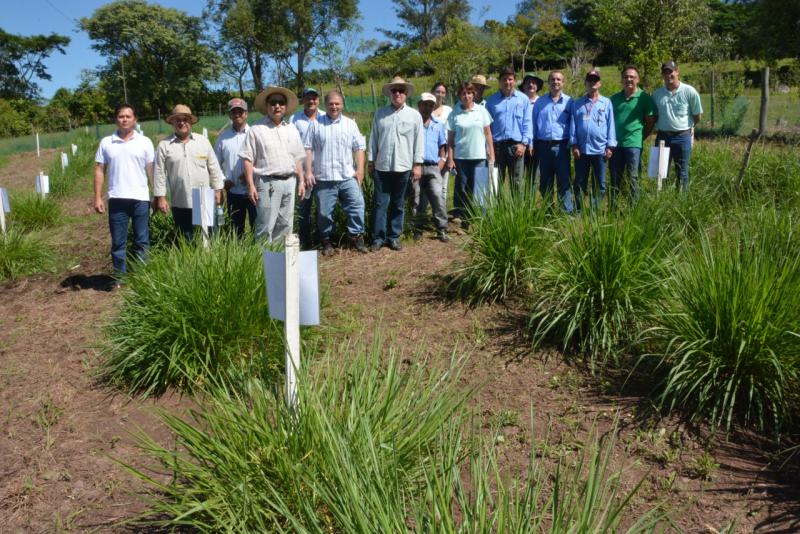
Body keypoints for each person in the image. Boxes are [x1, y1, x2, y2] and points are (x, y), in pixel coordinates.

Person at [94, 103, 154, 282]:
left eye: (128, 116)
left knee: (142, 240)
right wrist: (97, 197)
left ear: (135, 119)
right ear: (116, 120)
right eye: (121, 116)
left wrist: (159, 195)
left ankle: (142, 277)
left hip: (141, 199)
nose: (125, 119)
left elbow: (151, 169)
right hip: (117, 198)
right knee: (118, 242)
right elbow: (99, 170)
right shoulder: (106, 142)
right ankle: (120, 278)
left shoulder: (145, 142)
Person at [304, 90, 368, 256]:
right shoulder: (315, 124)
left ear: (342, 105)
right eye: (331, 103)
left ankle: (355, 236)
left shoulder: (350, 124)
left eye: (337, 103)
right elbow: (307, 148)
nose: (334, 106)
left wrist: (360, 169)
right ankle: (326, 240)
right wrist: (308, 171)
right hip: (324, 177)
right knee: (324, 213)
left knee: (357, 206)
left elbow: (359, 148)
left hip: (347, 176)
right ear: (326, 105)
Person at [239, 86, 306, 243]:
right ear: (267, 106)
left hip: (290, 182)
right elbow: (247, 159)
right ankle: (262, 264)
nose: (277, 106)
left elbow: (297, 158)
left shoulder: (292, 129)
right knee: (265, 226)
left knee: (285, 225)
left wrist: (301, 181)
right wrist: (250, 185)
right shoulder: (256, 129)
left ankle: (280, 262)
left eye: (281, 103)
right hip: (267, 183)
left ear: (285, 106)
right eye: (273, 102)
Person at [367, 75, 424, 252]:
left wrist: (417, 164)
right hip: (382, 166)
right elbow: (373, 139)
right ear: (390, 93)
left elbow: (418, 141)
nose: (397, 93)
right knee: (380, 203)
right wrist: (371, 161)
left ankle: (394, 237)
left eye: (401, 90)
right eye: (394, 90)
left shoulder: (414, 116)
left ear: (406, 93)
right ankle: (378, 237)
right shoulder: (380, 113)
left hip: (404, 166)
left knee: (398, 203)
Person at [154, 104, 223, 241]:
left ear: (191, 121)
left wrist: (218, 189)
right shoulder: (164, 145)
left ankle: (211, 261)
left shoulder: (202, 141)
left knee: (208, 236)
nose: (181, 122)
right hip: (181, 199)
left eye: (185, 119)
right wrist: (160, 197)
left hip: (203, 197)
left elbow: (214, 167)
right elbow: (159, 173)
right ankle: (190, 261)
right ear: (172, 122)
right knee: (186, 237)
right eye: (177, 119)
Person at [446, 82, 494, 227]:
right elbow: (450, 139)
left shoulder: (481, 111)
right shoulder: (454, 113)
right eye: (463, 93)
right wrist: (450, 158)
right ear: (459, 95)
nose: (466, 96)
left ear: (474, 95)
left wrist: (491, 153)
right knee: (462, 187)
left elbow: (488, 134)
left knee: (478, 188)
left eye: (469, 93)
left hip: (479, 156)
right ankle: (463, 216)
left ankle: (477, 216)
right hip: (461, 157)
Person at [569, 70, 616, 212]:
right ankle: (579, 209)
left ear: (600, 83)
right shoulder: (577, 104)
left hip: (600, 150)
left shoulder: (606, 103)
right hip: (582, 150)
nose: (592, 83)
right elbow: (573, 125)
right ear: (585, 83)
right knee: (580, 181)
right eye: (589, 80)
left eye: (595, 80)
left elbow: (611, 125)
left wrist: (610, 146)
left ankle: (594, 210)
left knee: (599, 183)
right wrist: (574, 144)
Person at [609, 66, 656, 207]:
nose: (629, 79)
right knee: (615, 177)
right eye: (626, 77)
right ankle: (613, 207)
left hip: (634, 144)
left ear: (638, 79)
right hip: (615, 144)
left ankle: (634, 208)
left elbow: (650, 121)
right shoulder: (614, 99)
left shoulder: (645, 98)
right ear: (622, 80)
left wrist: (640, 136)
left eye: (632, 77)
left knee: (633, 177)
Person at [652, 60, 703, 191]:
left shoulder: (689, 91)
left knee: (682, 171)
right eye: (665, 72)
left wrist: (685, 129)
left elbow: (697, 116)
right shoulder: (657, 95)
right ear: (662, 75)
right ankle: (660, 199)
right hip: (663, 137)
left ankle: (681, 200)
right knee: (660, 172)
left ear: (677, 72)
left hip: (683, 137)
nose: (668, 75)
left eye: (671, 71)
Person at [532, 70, 574, 213]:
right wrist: (532, 144)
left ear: (563, 83)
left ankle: (566, 212)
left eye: (558, 79)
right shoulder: (540, 102)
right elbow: (533, 124)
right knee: (545, 181)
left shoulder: (570, 102)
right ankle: (548, 211)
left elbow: (573, 124)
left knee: (564, 179)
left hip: (562, 146)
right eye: (552, 79)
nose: (555, 82)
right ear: (548, 82)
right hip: (543, 146)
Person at [485, 67, 532, 192]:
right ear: (500, 81)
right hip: (497, 147)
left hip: (516, 146)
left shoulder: (523, 99)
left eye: (510, 79)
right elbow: (487, 127)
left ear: (515, 81)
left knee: (517, 182)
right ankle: (498, 210)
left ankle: (517, 211)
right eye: (504, 79)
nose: (507, 82)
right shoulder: (491, 101)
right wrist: (488, 148)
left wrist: (523, 144)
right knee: (497, 181)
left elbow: (527, 123)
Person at [290, 87, 325, 249]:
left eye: (314, 98)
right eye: (308, 98)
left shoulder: (325, 117)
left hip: (323, 170)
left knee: (322, 207)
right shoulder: (295, 120)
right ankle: (305, 241)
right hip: (302, 171)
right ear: (302, 100)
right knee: (303, 208)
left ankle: (321, 239)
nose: (311, 101)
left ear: (318, 100)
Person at [412, 92, 449, 242]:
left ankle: (441, 228)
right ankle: (417, 227)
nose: (427, 108)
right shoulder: (413, 123)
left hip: (433, 166)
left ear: (433, 107)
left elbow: (442, 146)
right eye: (424, 104)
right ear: (419, 105)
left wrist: (441, 162)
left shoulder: (438, 124)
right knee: (416, 197)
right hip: (416, 166)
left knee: (437, 196)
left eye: (430, 105)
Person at [214, 97, 253, 237]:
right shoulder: (222, 138)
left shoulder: (254, 133)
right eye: (234, 112)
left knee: (257, 225)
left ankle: (258, 256)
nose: (237, 114)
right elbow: (215, 164)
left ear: (246, 113)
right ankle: (240, 256)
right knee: (236, 229)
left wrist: (250, 174)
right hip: (233, 190)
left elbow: (262, 159)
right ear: (230, 115)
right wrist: (224, 181)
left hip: (253, 189)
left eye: (240, 111)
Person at [431, 81, 452, 212]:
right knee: (429, 184)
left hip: (444, 150)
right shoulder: (426, 108)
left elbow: (451, 132)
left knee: (443, 184)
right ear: (433, 92)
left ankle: (441, 212)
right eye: (438, 91)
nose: (440, 94)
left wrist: (448, 155)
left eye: (443, 92)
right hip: (429, 151)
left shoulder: (449, 110)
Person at [520, 73, 544, 185]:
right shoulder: (518, 101)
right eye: (528, 82)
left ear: (537, 86)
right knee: (517, 177)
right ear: (523, 86)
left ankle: (530, 201)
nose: (531, 85)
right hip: (519, 144)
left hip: (536, 144)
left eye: (534, 82)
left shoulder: (542, 102)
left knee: (533, 177)